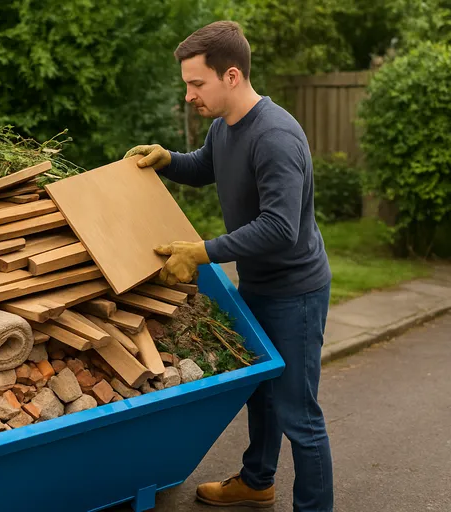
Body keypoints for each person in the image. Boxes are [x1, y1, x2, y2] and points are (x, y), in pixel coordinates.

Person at [124, 21, 334, 512]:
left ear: (232, 76)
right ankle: (258, 482)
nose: (190, 96)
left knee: (299, 414)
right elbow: (205, 166)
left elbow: (280, 228)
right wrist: (168, 160)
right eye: (187, 85)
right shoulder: (225, 127)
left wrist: (201, 251)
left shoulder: (276, 137)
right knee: (261, 394)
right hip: (260, 285)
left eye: (197, 84)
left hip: (296, 293)